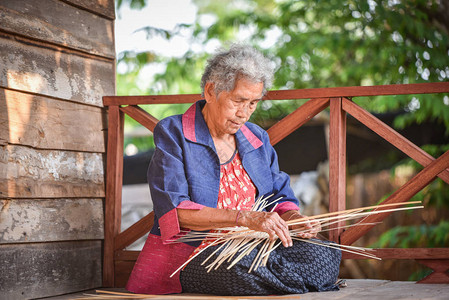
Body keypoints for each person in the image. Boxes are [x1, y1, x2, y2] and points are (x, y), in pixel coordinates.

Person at [126, 44, 341, 296]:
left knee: (325, 253)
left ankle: (278, 280)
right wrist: (244, 218)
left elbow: (279, 196)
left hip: (257, 247)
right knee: (236, 269)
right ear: (210, 91)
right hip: (199, 253)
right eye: (238, 101)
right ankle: (292, 281)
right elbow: (176, 210)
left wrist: (294, 221)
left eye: (253, 103)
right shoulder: (175, 133)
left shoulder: (256, 138)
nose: (244, 113)